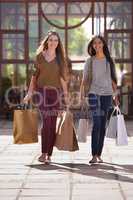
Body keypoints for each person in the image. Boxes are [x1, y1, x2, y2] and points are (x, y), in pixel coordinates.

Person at [24, 30, 68, 164]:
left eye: (56, 40)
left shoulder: (61, 59)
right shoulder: (39, 57)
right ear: (47, 41)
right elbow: (34, 76)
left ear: (58, 43)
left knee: (52, 123)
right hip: (41, 93)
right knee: (46, 122)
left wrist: (65, 98)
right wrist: (30, 93)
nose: (53, 42)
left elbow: (63, 80)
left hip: (56, 94)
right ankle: (44, 153)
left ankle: (49, 154)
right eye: (51, 40)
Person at [80, 35, 118, 164]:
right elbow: (84, 80)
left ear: (103, 45)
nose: (97, 45)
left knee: (102, 125)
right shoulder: (89, 61)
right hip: (93, 94)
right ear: (92, 46)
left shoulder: (109, 60)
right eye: (95, 43)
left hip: (107, 94)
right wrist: (82, 95)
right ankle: (94, 155)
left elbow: (113, 79)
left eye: (99, 43)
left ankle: (99, 154)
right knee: (96, 122)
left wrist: (115, 95)